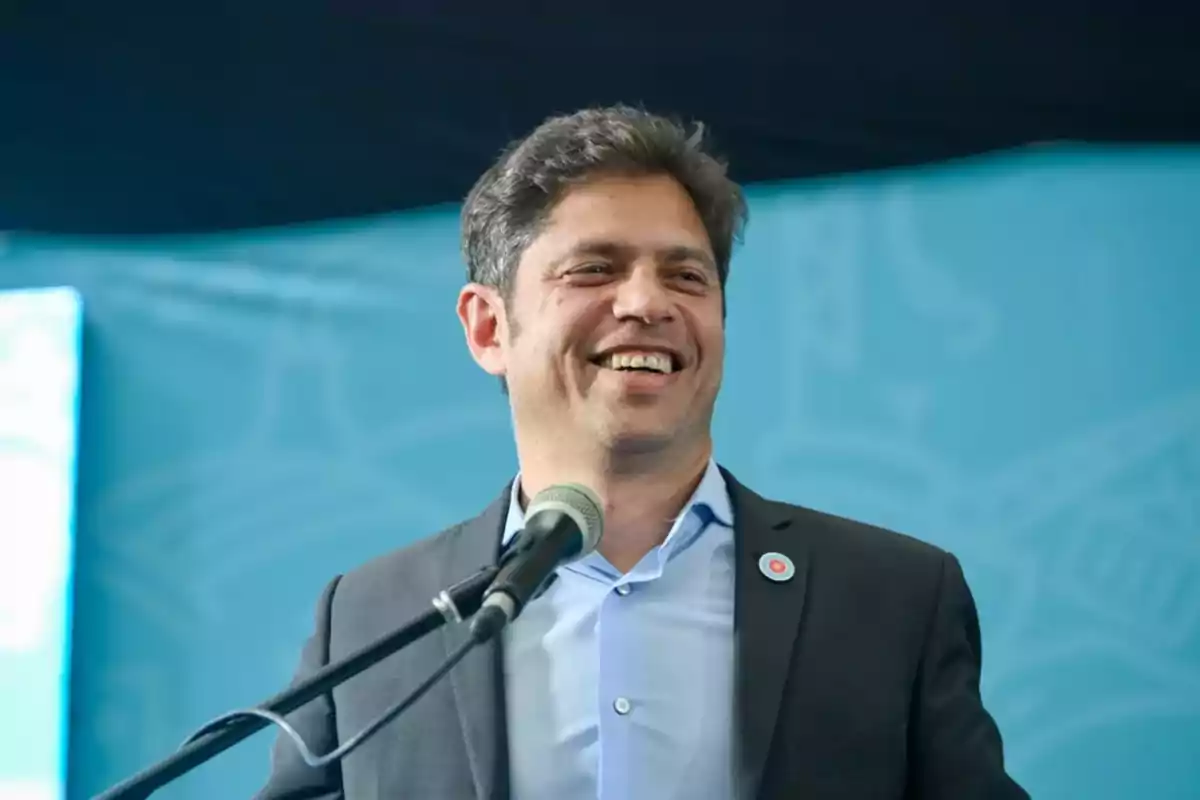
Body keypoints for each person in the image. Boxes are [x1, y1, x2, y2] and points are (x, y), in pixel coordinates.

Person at [256, 105, 1029, 800]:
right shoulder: (371, 618)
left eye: (685, 275)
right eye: (595, 268)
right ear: (490, 328)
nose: (647, 303)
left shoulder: (892, 598)